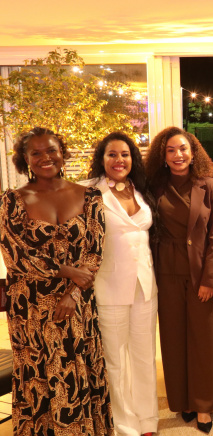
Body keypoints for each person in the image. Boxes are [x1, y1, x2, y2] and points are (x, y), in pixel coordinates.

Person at [0, 127, 113, 434]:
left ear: (63, 153)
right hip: (32, 308)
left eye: (51, 150)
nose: (45, 157)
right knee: (39, 376)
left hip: (78, 303)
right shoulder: (12, 200)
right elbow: (15, 256)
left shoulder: (90, 196)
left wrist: (73, 292)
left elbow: (94, 251)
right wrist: (67, 271)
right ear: (25, 159)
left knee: (80, 371)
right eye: (36, 153)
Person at [145, 126, 213, 434]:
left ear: (194, 153)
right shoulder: (154, 186)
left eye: (183, 149)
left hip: (201, 271)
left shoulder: (209, 186)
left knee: (204, 340)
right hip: (165, 271)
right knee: (174, 340)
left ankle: (204, 405)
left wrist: (210, 278)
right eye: (171, 150)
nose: (178, 155)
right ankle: (183, 400)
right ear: (163, 156)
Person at [85, 132, 159, 436]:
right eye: (112, 154)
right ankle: (125, 426)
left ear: (133, 158)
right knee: (115, 361)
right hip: (109, 286)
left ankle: (147, 420)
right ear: (102, 158)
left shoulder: (140, 189)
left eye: (125, 154)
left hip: (145, 286)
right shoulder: (89, 191)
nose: (119, 160)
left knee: (144, 356)